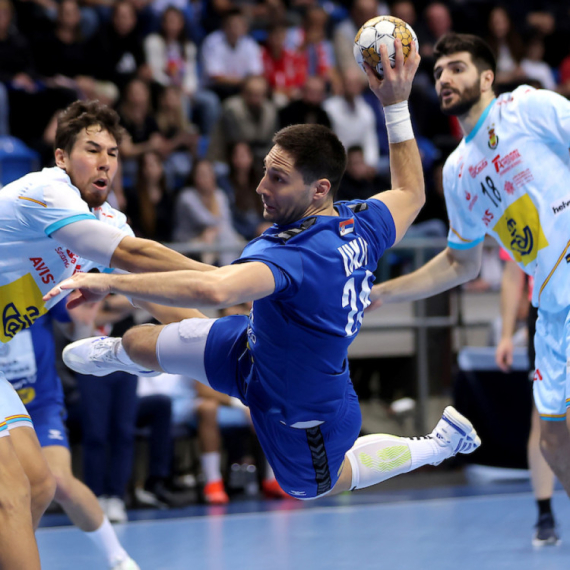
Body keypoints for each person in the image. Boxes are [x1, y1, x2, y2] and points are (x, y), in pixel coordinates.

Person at [54, 40, 480, 502]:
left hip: (305, 410)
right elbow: (412, 192)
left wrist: (109, 282)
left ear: (318, 189)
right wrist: (395, 104)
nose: (261, 186)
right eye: (265, 172)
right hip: (252, 352)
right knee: (137, 343)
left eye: (277, 179)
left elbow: (213, 289)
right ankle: (121, 351)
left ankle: (437, 445)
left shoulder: (297, 255)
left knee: (312, 485)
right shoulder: (362, 222)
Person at [361, 32, 570, 543]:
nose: (445, 79)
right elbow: (460, 262)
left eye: (456, 68)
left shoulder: (528, 108)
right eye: (438, 73)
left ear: (488, 77)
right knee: (552, 438)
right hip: (551, 309)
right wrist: (384, 293)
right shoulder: (457, 172)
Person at [0, 98, 218, 568]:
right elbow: (135, 257)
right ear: (62, 157)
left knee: (40, 484)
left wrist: (222, 344)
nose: (105, 162)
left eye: (113, 153)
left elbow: (159, 295)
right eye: (92, 150)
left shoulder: (108, 220)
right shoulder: (47, 191)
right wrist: (229, 279)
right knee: (9, 493)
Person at [0, 300, 140, 567]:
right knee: (11, 494)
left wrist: (84, 322)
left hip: (39, 404)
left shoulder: (30, 284)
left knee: (53, 482)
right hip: (6, 397)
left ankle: (119, 558)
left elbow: (79, 337)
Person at [495, 256, 559, 545]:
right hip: (546, 314)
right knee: (544, 417)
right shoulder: (524, 222)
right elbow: (513, 274)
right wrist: (506, 335)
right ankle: (545, 514)